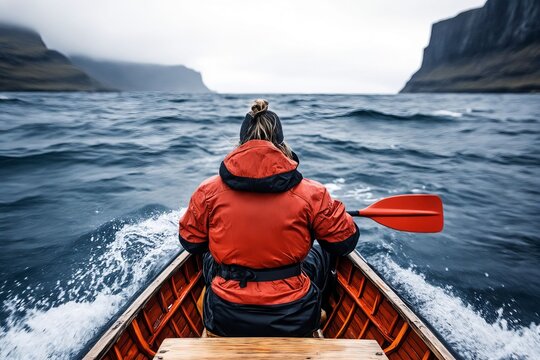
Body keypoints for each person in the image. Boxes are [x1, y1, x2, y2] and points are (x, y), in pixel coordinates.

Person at [179, 99, 359, 337]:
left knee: (208, 254)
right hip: (294, 315)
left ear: (240, 144)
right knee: (326, 252)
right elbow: (344, 242)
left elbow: (191, 243)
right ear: (281, 144)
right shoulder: (312, 193)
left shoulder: (208, 190)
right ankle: (322, 312)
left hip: (226, 315)